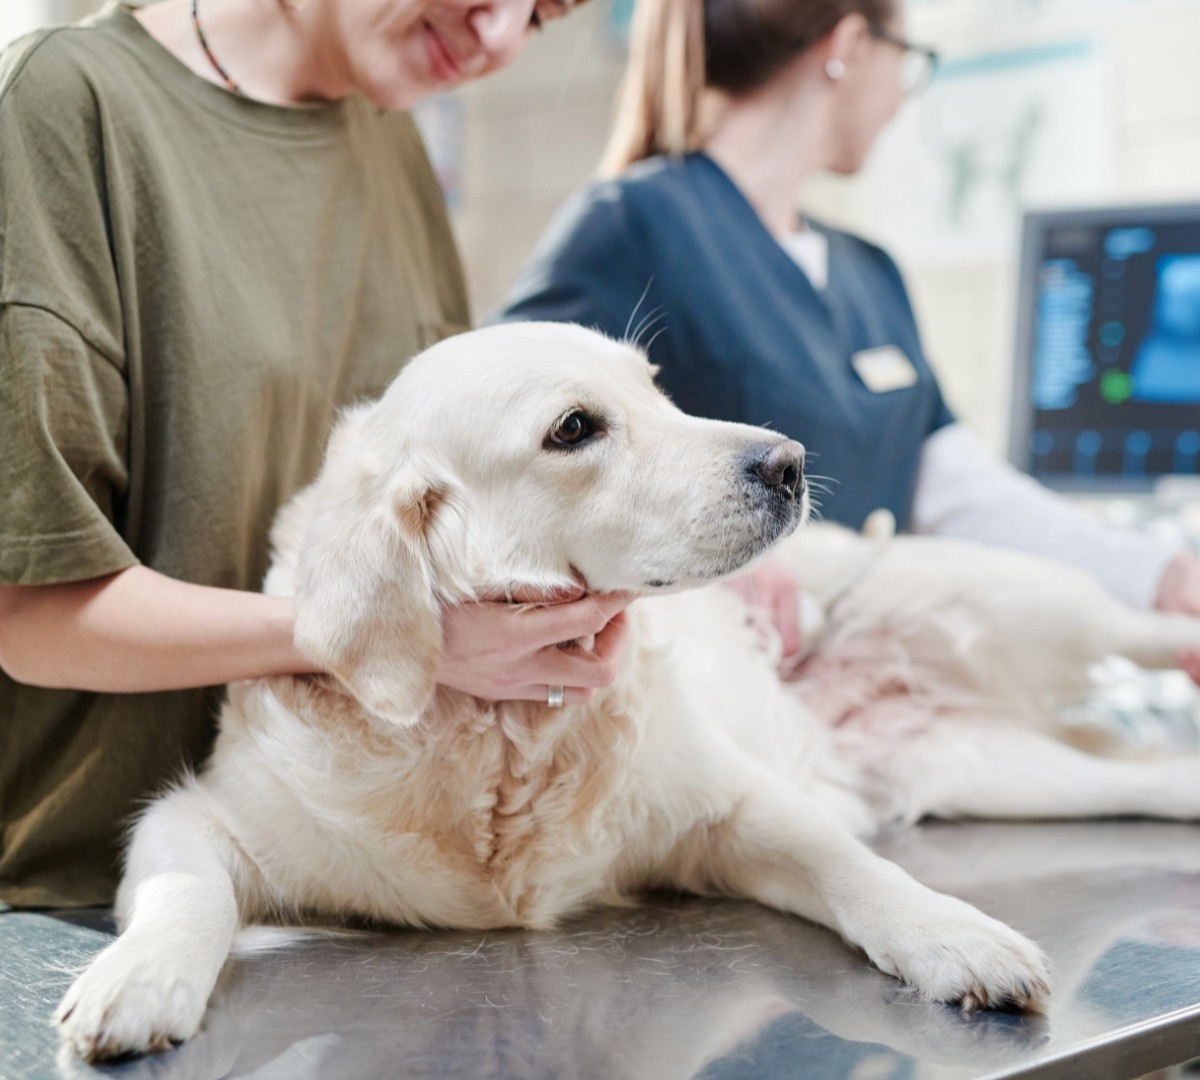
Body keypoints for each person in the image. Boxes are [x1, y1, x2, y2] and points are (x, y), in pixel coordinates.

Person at [0, 0, 633, 909]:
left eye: (540, 19)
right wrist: (372, 633)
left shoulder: (392, 139)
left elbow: (442, 533)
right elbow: (33, 616)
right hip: (92, 902)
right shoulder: (69, 106)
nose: (496, 39)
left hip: (353, 878)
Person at [497, 0, 1200, 665]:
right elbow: (493, 461)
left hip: (870, 695)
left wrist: (1161, 576)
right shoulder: (631, 225)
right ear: (851, 47)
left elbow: (958, 492)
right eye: (908, 58)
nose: (901, 95)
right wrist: (709, 579)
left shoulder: (871, 271)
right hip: (722, 695)